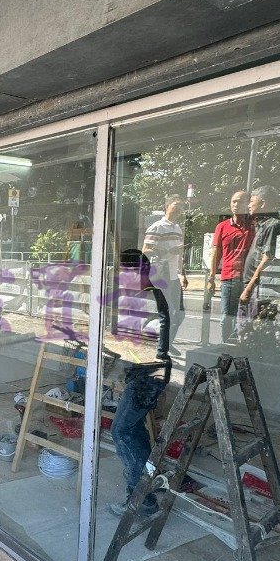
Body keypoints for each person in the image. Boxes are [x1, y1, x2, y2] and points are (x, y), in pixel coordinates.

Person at [108, 249, 170, 517]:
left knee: (121, 432)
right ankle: (151, 480)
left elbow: (144, 346)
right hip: (144, 373)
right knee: (135, 430)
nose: (121, 279)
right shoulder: (145, 297)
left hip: (148, 376)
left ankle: (142, 499)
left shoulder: (148, 299)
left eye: (124, 273)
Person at [237, 185, 280, 332]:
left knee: (250, 328)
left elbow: (267, 260)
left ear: (263, 203)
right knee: (244, 327)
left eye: (252, 201)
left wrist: (249, 288)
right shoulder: (262, 225)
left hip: (260, 287)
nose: (249, 205)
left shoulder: (273, 226)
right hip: (253, 285)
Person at [205, 190, 253, 344]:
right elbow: (215, 254)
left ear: (247, 204)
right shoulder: (222, 226)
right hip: (229, 278)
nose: (236, 205)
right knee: (226, 317)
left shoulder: (253, 225)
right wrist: (211, 278)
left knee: (245, 318)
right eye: (234, 201)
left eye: (240, 201)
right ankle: (226, 346)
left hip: (248, 279)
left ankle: (241, 346)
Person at [142, 196, 188, 344]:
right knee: (168, 314)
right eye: (176, 205)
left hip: (174, 275)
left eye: (181, 206)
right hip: (162, 275)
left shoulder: (177, 228)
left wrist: (183, 273)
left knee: (179, 314)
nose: (179, 209)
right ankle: (162, 349)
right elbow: (145, 250)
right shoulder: (157, 227)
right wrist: (167, 251)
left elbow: (179, 254)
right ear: (166, 207)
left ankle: (167, 343)